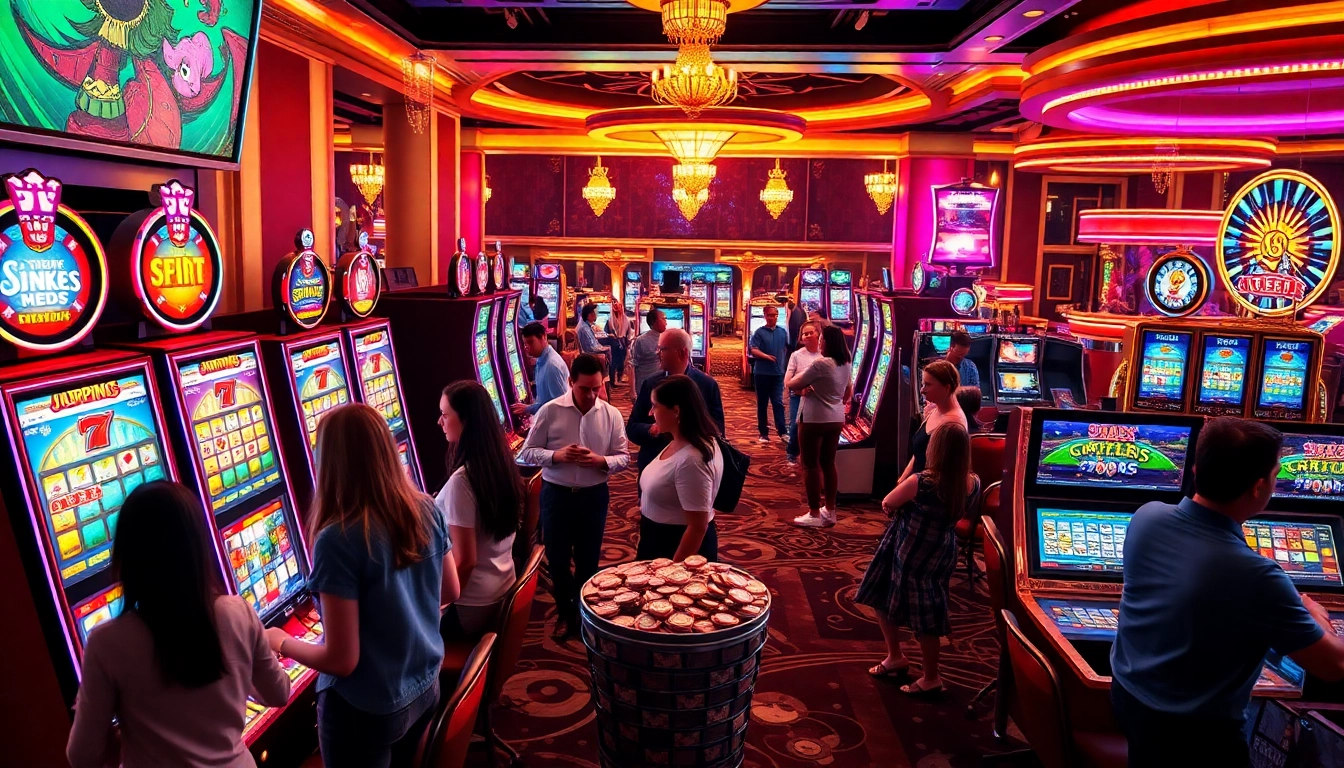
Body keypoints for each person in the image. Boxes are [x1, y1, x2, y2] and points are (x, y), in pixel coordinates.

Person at [1111, 418, 1344, 766]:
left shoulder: (1147, 516)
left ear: (1195, 469)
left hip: (1132, 704)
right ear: (1259, 487)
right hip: (1198, 737)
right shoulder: (1256, 574)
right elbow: (1334, 665)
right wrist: (1317, 617)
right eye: (1276, 474)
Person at [266, 404, 457, 768]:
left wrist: (280, 641)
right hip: (424, 685)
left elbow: (341, 660)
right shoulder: (426, 508)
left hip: (367, 708)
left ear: (330, 463)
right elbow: (450, 591)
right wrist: (400, 614)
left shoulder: (337, 538)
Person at [67, 482, 291, 768]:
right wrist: (244, 670)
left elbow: (82, 757)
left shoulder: (106, 642)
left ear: (126, 557)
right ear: (198, 546)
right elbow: (278, 692)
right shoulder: (238, 612)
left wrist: (125, 729)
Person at [857, 422, 975, 697]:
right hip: (943, 548)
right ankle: (899, 659)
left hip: (910, 547)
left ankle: (929, 676)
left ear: (936, 449)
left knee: (886, 597)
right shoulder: (972, 481)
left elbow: (888, 502)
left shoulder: (922, 481)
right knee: (928, 609)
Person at [518, 353, 630, 641]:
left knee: (588, 560)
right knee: (557, 560)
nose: (591, 395)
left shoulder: (611, 414)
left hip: (594, 496)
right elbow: (527, 452)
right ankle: (565, 613)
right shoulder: (550, 411)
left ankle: (582, 615)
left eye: (596, 388)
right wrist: (557, 456)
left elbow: (623, 457)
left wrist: (601, 461)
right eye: (584, 389)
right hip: (557, 495)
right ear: (570, 382)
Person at [437, 381, 523, 640]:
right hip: (501, 586)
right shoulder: (499, 462)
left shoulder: (462, 482)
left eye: (445, 415)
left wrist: (435, 606)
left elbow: (466, 562)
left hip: (472, 607)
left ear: (465, 420)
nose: (439, 422)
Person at [636, 375, 725, 561]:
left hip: (676, 546)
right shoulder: (679, 440)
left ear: (676, 411)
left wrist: (675, 569)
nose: (650, 413)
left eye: (655, 406)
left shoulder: (693, 459)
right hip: (659, 537)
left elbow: (697, 527)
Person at [628, 328, 725, 471]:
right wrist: (652, 429)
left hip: (693, 466)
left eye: (663, 349)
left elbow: (718, 432)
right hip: (654, 464)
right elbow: (632, 428)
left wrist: (685, 430)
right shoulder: (651, 383)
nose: (657, 353)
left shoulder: (707, 385)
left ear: (682, 352)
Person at [788, 324, 853, 528]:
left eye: (822, 339)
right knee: (828, 463)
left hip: (814, 418)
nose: (820, 343)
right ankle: (830, 510)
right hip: (836, 417)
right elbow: (847, 391)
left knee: (810, 465)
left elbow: (792, 384)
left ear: (829, 343)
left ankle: (814, 512)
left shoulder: (821, 364)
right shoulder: (846, 362)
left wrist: (807, 385)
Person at [900, 360, 967, 482]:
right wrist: (901, 480)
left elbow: (939, 476)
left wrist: (907, 486)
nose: (922, 390)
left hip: (930, 488)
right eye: (923, 384)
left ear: (946, 387)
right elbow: (918, 454)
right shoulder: (935, 409)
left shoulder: (952, 424)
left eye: (927, 385)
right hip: (915, 482)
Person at [749, 304, 790, 444]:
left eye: (775, 315)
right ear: (765, 316)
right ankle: (763, 433)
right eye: (770, 315)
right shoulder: (759, 332)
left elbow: (788, 348)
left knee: (778, 402)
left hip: (778, 373)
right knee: (762, 403)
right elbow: (753, 350)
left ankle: (782, 431)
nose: (772, 318)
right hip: (762, 373)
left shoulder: (782, 332)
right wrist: (766, 356)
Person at [512, 321, 569, 418]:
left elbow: (559, 407)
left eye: (531, 342)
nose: (527, 347)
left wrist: (528, 409)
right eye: (525, 343)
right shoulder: (542, 359)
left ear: (543, 337)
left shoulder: (551, 366)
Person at [784, 322, 822, 464]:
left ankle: (811, 455)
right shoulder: (797, 355)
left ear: (818, 334)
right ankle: (792, 451)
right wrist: (797, 390)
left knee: (815, 427)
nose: (808, 336)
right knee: (796, 425)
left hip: (820, 397)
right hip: (798, 394)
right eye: (805, 334)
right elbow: (788, 378)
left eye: (811, 332)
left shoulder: (824, 354)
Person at [630, 307, 666, 399]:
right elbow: (632, 366)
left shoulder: (667, 339)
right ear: (654, 322)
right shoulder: (641, 340)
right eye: (663, 319)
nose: (666, 322)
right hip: (645, 385)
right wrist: (632, 391)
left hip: (663, 385)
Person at [605, 302, 635, 385]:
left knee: (621, 362)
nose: (617, 311)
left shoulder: (626, 320)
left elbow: (629, 332)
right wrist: (610, 335)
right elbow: (605, 332)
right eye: (616, 309)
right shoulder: (610, 320)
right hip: (613, 343)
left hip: (623, 342)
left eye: (619, 309)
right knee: (613, 362)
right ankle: (612, 382)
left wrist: (628, 342)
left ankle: (619, 378)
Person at [576, 303, 611, 374]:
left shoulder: (586, 325)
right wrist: (605, 349)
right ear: (589, 315)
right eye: (595, 313)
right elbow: (591, 348)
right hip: (588, 355)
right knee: (611, 348)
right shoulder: (584, 328)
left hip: (589, 352)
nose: (596, 315)